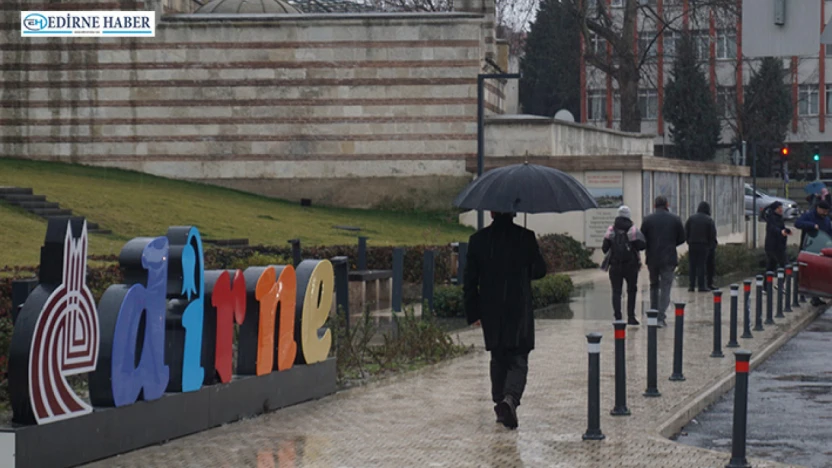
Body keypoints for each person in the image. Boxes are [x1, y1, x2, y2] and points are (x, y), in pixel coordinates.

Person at [463, 211, 547, 430]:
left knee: (498, 354)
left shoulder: (478, 240)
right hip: (518, 307)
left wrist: (473, 312)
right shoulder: (525, 237)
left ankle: (500, 400)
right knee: (518, 357)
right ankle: (509, 399)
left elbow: (470, 280)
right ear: (514, 212)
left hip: (491, 308)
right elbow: (540, 271)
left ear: (491, 213)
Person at [640, 196, 686, 328]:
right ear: (667, 204)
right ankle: (661, 316)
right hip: (669, 258)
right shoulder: (675, 219)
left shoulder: (647, 220)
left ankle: (653, 313)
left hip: (652, 258)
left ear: (654, 206)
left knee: (654, 285)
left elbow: (642, 238)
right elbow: (682, 238)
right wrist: (671, 244)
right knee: (666, 287)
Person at [602, 206, 646, 325]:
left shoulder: (611, 229)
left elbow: (604, 248)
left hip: (615, 265)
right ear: (629, 216)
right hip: (631, 266)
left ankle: (618, 317)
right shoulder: (632, 230)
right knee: (631, 290)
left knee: (616, 291)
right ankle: (631, 317)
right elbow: (642, 246)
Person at [794, 201, 832, 306]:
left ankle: (815, 297)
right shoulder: (809, 215)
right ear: (818, 208)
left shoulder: (826, 220)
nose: (825, 213)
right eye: (824, 211)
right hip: (809, 248)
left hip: (823, 250)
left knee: (818, 273)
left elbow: (829, 232)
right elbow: (797, 223)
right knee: (804, 271)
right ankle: (800, 293)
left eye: (827, 211)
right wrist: (811, 225)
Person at [685, 201, 717, 293]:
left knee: (692, 265)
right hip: (704, 245)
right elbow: (712, 234)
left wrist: (689, 241)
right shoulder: (709, 220)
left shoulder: (691, 219)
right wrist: (711, 246)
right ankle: (701, 286)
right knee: (701, 265)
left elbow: (686, 231)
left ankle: (691, 286)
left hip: (692, 244)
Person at [764, 201, 792, 271]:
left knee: (772, 266)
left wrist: (787, 230)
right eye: (778, 208)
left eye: (781, 207)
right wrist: (780, 232)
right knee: (785, 265)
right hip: (773, 246)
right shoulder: (771, 218)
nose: (781, 209)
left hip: (780, 246)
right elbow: (773, 228)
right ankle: (784, 280)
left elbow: (781, 228)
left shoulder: (779, 218)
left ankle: (768, 281)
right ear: (774, 209)